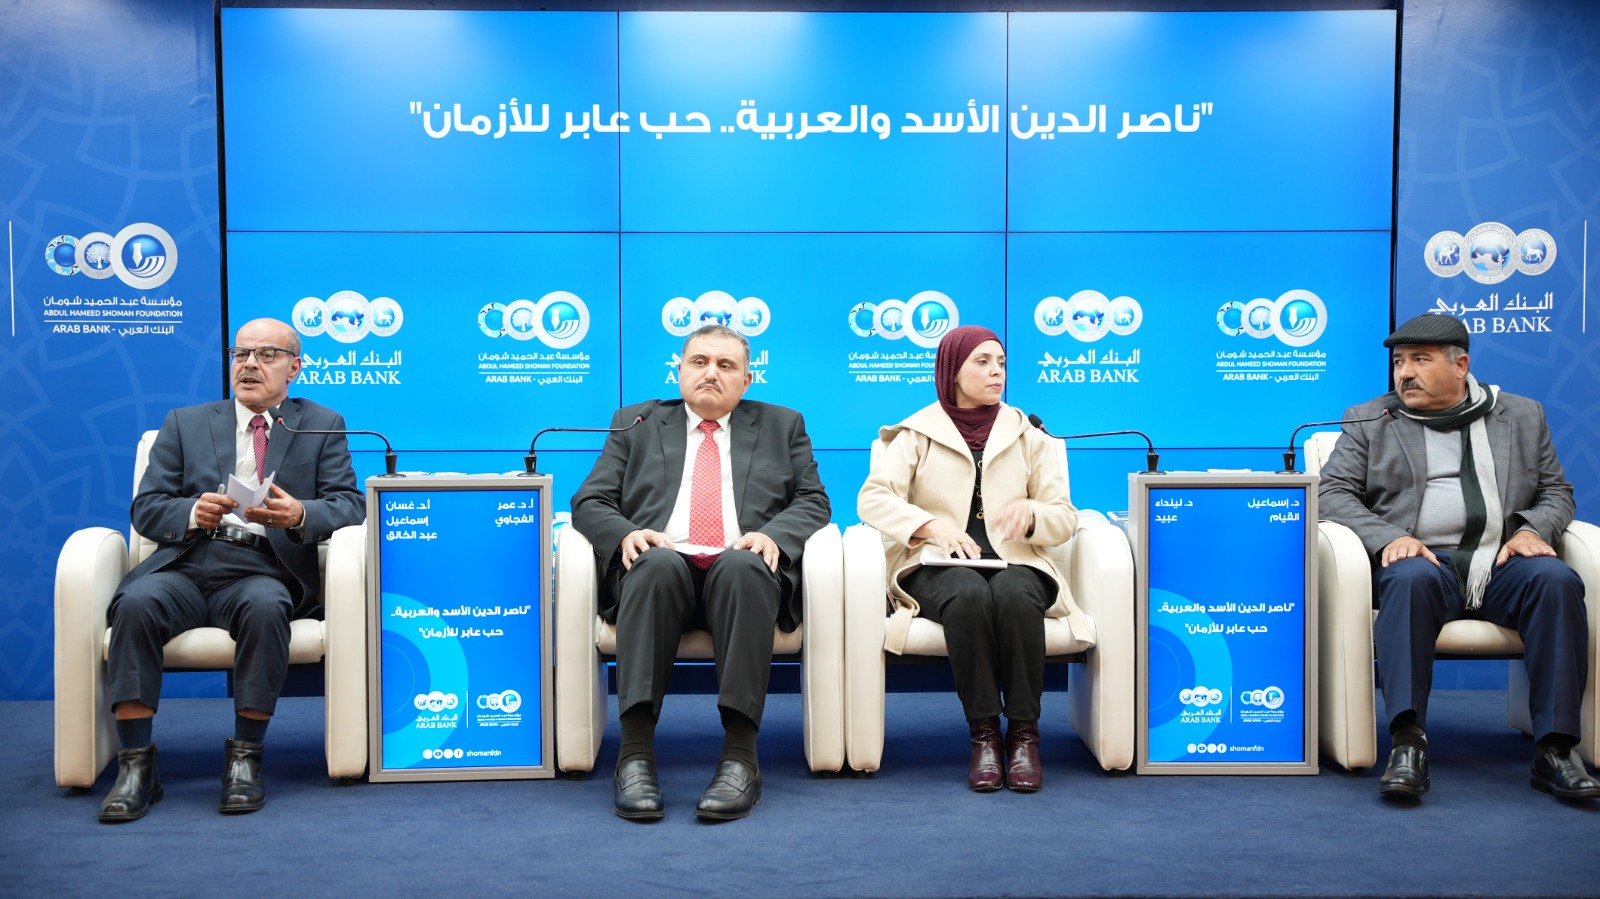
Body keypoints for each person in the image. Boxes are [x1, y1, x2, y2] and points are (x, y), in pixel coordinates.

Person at [1319, 313, 1599, 801]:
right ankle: (1408, 743)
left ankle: (1554, 749)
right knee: (1408, 579)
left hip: (1501, 563)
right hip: (1424, 563)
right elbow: (1332, 493)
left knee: (1556, 579)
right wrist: (1389, 537)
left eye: (1420, 360)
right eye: (1399, 362)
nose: (1405, 373)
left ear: (1461, 365)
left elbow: (1556, 491)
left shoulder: (1522, 415)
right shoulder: (1371, 419)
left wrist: (1532, 531)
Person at [96, 318, 366, 822]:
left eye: (266, 354)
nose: (250, 364)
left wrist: (299, 514)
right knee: (137, 604)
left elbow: (349, 504)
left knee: (266, 608)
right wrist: (191, 511)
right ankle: (135, 765)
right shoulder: (186, 422)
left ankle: (245, 759)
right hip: (186, 562)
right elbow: (146, 507)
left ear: (294, 367)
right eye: (241, 354)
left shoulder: (320, 423)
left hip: (263, 567)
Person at [571, 324, 830, 822]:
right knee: (656, 562)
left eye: (726, 365)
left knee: (743, 565)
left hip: (740, 578)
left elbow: (813, 500)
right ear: (679, 370)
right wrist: (626, 533)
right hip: (660, 574)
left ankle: (740, 758)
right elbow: (590, 500)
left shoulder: (783, 424)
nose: (711, 373)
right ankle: (634, 756)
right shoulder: (636, 422)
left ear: (747, 380)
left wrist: (773, 536)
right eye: (699, 362)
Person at [857, 325, 1086, 792]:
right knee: (967, 595)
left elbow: (1064, 516)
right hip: (935, 563)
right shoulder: (915, 433)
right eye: (982, 362)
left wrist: (1033, 516)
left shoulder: (1029, 434)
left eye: (1001, 363)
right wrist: (930, 526)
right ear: (952, 370)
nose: (996, 372)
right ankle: (983, 735)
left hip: (1018, 561)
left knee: (1014, 595)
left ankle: (1023, 736)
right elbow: (873, 499)